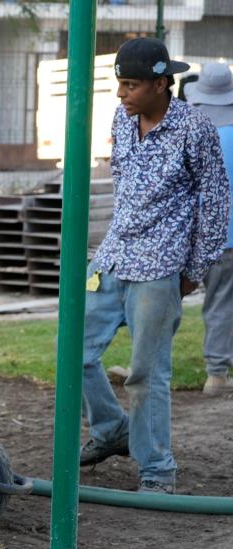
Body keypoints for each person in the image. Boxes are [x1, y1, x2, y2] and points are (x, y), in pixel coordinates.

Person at [79, 39, 231, 494]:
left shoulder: (194, 129)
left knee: (147, 372)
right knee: (75, 355)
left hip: (160, 266)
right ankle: (112, 430)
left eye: (130, 85)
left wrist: (195, 268)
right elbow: (123, 186)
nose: (121, 94)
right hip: (113, 258)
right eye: (119, 84)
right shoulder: (121, 121)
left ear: (161, 84)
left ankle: (157, 470)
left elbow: (216, 203)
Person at [184, 63, 233, 394]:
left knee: (166, 302)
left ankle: (148, 366)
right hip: (228, 237)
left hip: (189, 234)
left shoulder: (187, 131)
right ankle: (216, 374)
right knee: (222, 301)